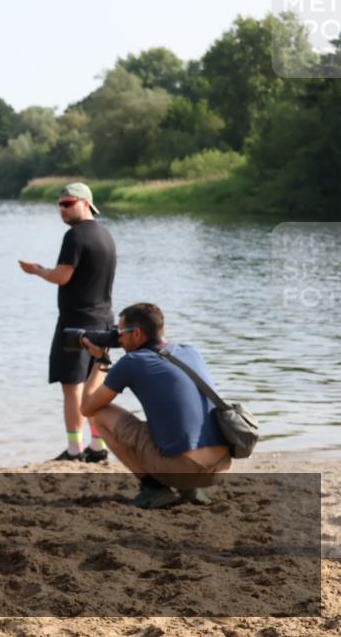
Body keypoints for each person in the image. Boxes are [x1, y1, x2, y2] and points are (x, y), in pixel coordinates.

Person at [80, 302, 232, 508]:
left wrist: (101, 360)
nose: (118, 338)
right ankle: (192, 489)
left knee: (100, 415)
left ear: (137, 334)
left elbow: (87, 407)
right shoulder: (190, 351)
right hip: (220, 468)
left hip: (182, 470)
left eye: (121, 332)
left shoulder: (132, 361)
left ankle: (152, 488)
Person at [19, 182, 116, 463]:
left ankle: (75, 451)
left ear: (86, 203)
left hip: (76, 325)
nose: (62, 209)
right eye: (60, 204)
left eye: (68, 203)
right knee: (96, 388)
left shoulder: (75, 236)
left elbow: (62, 276)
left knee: (72, 387)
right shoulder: (106, 235)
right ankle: (98, 448)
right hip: (104, 322)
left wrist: (37, 270)